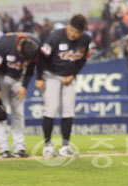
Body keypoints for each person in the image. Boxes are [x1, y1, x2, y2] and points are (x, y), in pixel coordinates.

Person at [36, 14, 92, 158]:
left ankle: (65, 147)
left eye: (77, 32)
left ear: (82, 32)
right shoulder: (55, 37)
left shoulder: (85, 40)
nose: (73, 34)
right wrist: (39, 78)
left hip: (68, 77)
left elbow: (82, 59)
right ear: (68, 26)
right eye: (72, 30)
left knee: (68, 110)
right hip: (51, 75)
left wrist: (73, 75)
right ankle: (48, 146)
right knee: (52, 108)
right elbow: (41, 57)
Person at [0, 32, 40, 158]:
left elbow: (30, 70)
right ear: (19, 49)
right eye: (24, 59)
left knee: (18, 113)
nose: (25, 62)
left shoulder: (34, 47)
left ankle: (19, 147)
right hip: (2, 76)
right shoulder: (4, 44)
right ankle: (3, 149)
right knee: (1, 112)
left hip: (18, 78)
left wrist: (24, 86)